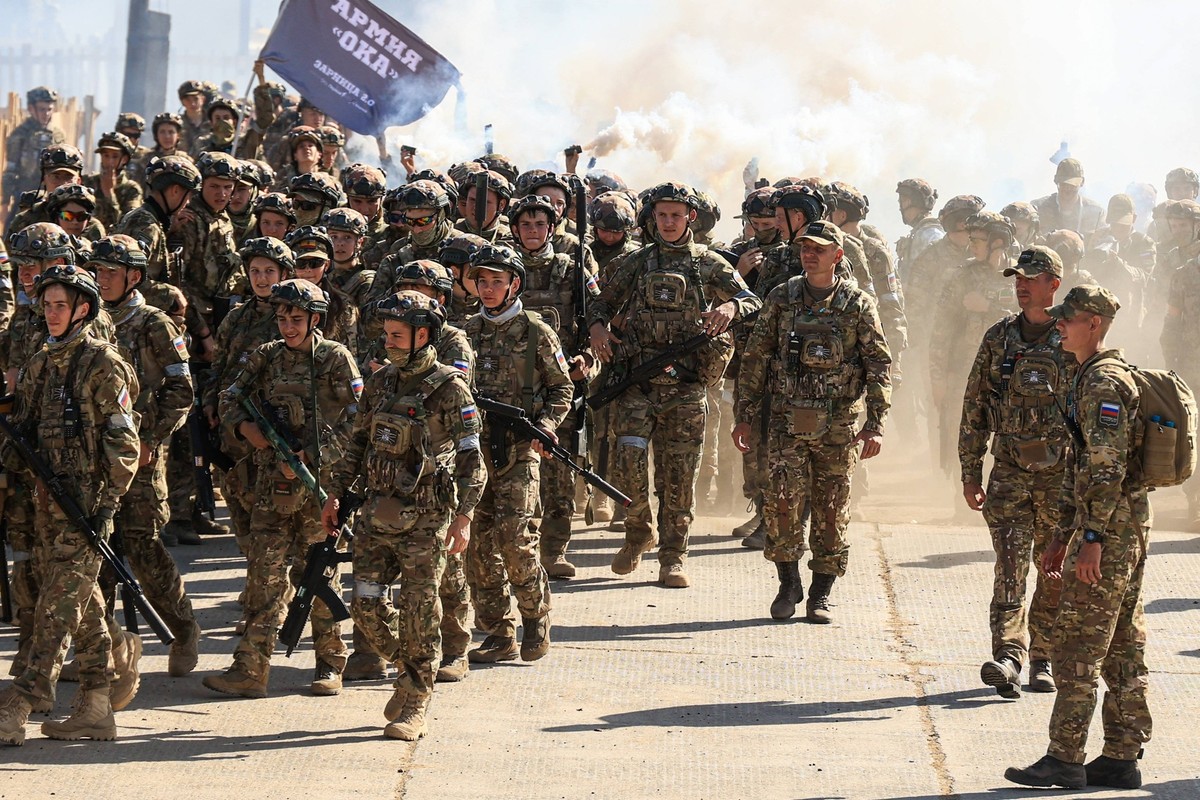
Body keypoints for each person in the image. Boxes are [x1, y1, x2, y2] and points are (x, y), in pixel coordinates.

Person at [1005, 284, 1151, 791]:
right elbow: (1080, 467)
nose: (1059, 326)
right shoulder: (1088, 375)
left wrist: (1091, 538)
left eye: (1067, 319)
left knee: (1077, 645)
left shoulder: (1103, 383)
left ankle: (1065, 757)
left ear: (1094, 324)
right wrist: (1062, 535)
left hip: (1109, 532)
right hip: (1117, 527)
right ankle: (1121, 756)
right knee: (1122, 644)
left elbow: (1106, 468)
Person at [325, 290, 485, 741]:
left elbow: (472, 458)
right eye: (386, 334)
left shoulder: (450, 388)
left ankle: (416, 698)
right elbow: (357, 444)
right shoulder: (379, 383)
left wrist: (464, 516)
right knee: (366, 606)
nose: (388, 343)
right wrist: (335, 494)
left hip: (427, 519)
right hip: (376, 514)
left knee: (419, 611)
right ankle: (408, 666)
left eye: (397, 335)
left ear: (423, 335)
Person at [589, 182, 761, 588]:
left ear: (691, 218)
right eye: (662, 215)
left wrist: (730, 306)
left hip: (685, 388)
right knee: (628, 467)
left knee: (679, 477)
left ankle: (673, 556)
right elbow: (601, 301)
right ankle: (638, 532)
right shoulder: (636, 262)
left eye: (676, 215)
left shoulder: (709, 264)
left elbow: (751, 299)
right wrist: (597, 328)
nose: (668, 222)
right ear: (653, 217)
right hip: (637, 384)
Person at [0, 265, 140, 746]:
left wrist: (107, 507)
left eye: (61, 305)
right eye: (47, 305)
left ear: (83, 309)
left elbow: (124, 442)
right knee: (83, 605)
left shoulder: (103, 363)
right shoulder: (42, 362)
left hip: (87, 508)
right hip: (47, 504)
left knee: (56, 609)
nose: (52, 313)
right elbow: (23, 428)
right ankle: (97, 705)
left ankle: (21, 703)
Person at [205, 278, 362, 698]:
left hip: (318, 490)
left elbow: (357, 418)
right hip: (270, 487)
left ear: (315, 320)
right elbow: (230, 396)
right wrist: (245, 428)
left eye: (296, 319)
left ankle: (330, 662)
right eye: (282, 318)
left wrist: (314, 455)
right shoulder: (266, 356)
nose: (288, 327)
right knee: (263, 577)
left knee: (318, 576)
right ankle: (251, 669)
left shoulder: (335, 359)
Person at [733, 221, 891, 622]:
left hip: (838, 427)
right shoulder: (781, 297)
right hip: (786, 422)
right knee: (781, 505)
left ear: (838, 255)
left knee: (832, 510)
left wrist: (875, 424)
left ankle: (821, 593)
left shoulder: (857, 304)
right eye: (805, 248)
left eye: (819, 249)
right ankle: (788, 585)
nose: (809, 254)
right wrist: (745, 416)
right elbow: (756, 357)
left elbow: (878, 364)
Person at [958, 246, 1071, 698]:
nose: (1021, 286)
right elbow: (975, 405)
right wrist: (970, 470)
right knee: (1009, 568)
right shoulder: (999, 337)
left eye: (1030, 278)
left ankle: (1044, 656)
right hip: (1008, 474)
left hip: (1059, 479)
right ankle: (1009, 656)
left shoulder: (1071, 337)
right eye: (1017, 279)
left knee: (1052, 570)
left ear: (1053, 285)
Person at [92, 235, 202, 675]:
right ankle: (102, 647)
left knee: (142, 546)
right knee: (98, 547)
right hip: (98, 455)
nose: (102, 279)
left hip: (141, 455)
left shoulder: (155, 323)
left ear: (133, 276)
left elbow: (181, 389)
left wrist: (152, 440)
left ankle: (183, 629)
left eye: (111, 272)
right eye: (97, 271)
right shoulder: (89, 318)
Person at [462, 244, 571, 663]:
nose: (488, 289)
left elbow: (562, 387)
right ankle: (497, 630)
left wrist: (547, 425)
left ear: (515, 284)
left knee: (514, 537)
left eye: (497, 281)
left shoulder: (535, 332)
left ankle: (535, 615)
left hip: (520, 449)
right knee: (477, 545)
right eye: (482, 281)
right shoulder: (466, 331)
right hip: (475, 450)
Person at [3, 86, 66, 211]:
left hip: (52, 195)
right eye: (42, 109)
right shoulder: (20, 134)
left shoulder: (58, 135)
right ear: (31, 109)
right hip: (25, 195)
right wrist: (5, 201)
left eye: (49, 109)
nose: (46, 114)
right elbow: (10, 169)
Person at [1031, 158, 1105, 237]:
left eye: (1073, 184)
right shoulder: (1037, 208)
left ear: (1082, 182)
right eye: (1063, 184)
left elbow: (1106, 239)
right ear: (1056, 181)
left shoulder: (1096, 213)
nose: (1068, 188)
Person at [84, 132, 143, 231]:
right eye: (106, 156)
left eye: (115, 156)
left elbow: (128, 225)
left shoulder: (131, 190)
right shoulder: (88, 182)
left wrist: (109, 193)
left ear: (124, 159)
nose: (109, 161)